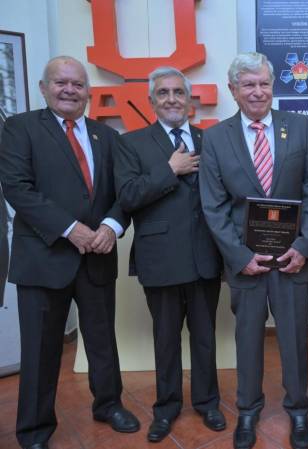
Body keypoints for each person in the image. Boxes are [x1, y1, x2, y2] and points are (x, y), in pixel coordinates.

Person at [0, 56, 139, 449]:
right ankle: (34, 429)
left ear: (88, 94)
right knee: (40, 350)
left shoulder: (106, 136)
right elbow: (17, 188)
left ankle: (108, 404)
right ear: (44, 88)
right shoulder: (20, 128)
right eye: (60, 82)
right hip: (43, 259)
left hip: (96, 255)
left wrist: (112, 227)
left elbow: (121, 194)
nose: (69, 90)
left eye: (77, 84)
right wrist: (70, 229)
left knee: (101, 340)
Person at [199, 52, 308, 449]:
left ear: (274, 86)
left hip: (292, 261)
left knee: (294, 340)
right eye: (248, 84)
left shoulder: (302, 128)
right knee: (248, 340)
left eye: (264, 83)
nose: (258, 91)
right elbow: (214, 205)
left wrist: (304, 247)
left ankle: (299, 409)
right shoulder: (216, 138)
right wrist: (239, 256)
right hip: (246, 263)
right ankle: (249, 410)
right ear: (233, 90)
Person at [114, 67, 224, 442]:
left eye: (179, 92)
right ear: (152, 101)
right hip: (159, 258)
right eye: (163, 93)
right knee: (165, 338)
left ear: (190, 100)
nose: (172, 98)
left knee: (205, 335)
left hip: (204, 256)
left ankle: (208, 403)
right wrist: (169, 170)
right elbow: (127, 197)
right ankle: (167, 407)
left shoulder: (210, 140)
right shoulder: (131, 143)